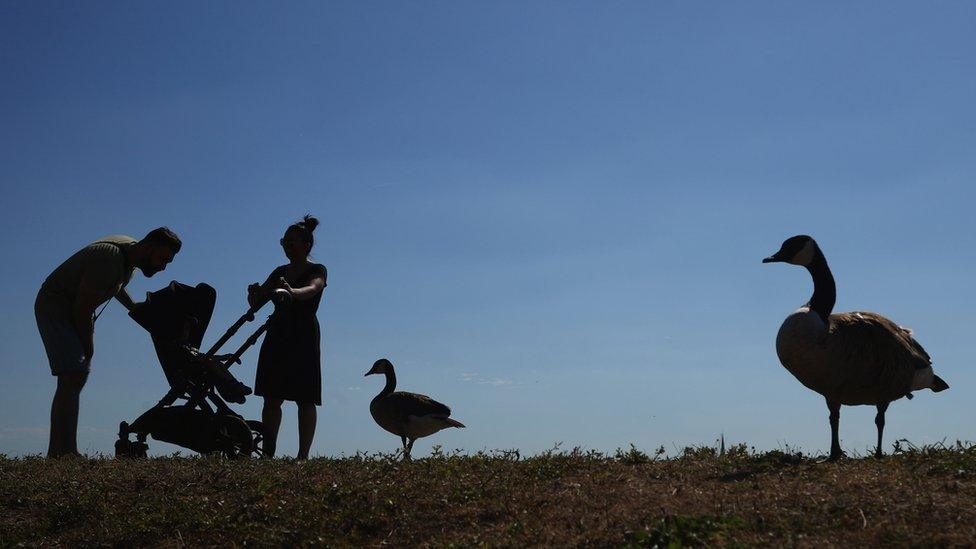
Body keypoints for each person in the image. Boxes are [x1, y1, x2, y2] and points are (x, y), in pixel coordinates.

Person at [35, 228, 182, 457]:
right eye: (162, 258)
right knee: (72, 375)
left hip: (74, 308)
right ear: (149, 248)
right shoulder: (110, 259)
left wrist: (134, 308)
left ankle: (61, 451)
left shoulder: (129, 257)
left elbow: (114, 285)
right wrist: (89, 347)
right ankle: (62, 452)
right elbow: (82, 308)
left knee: (74, 377)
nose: (163, 266)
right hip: (56, 307)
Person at [248, 215, 327, 459]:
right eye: (284, 242)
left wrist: (292, 291)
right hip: (278, 334)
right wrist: (254, 295)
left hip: (303, 336)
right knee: (271, 398)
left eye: (291, 242)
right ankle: (268, 454)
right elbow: (258, 303)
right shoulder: (279, 271)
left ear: (306, 245)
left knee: (305, 398)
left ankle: (302, 456)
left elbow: (313, 288)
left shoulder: (317, 270)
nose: (286, 246)